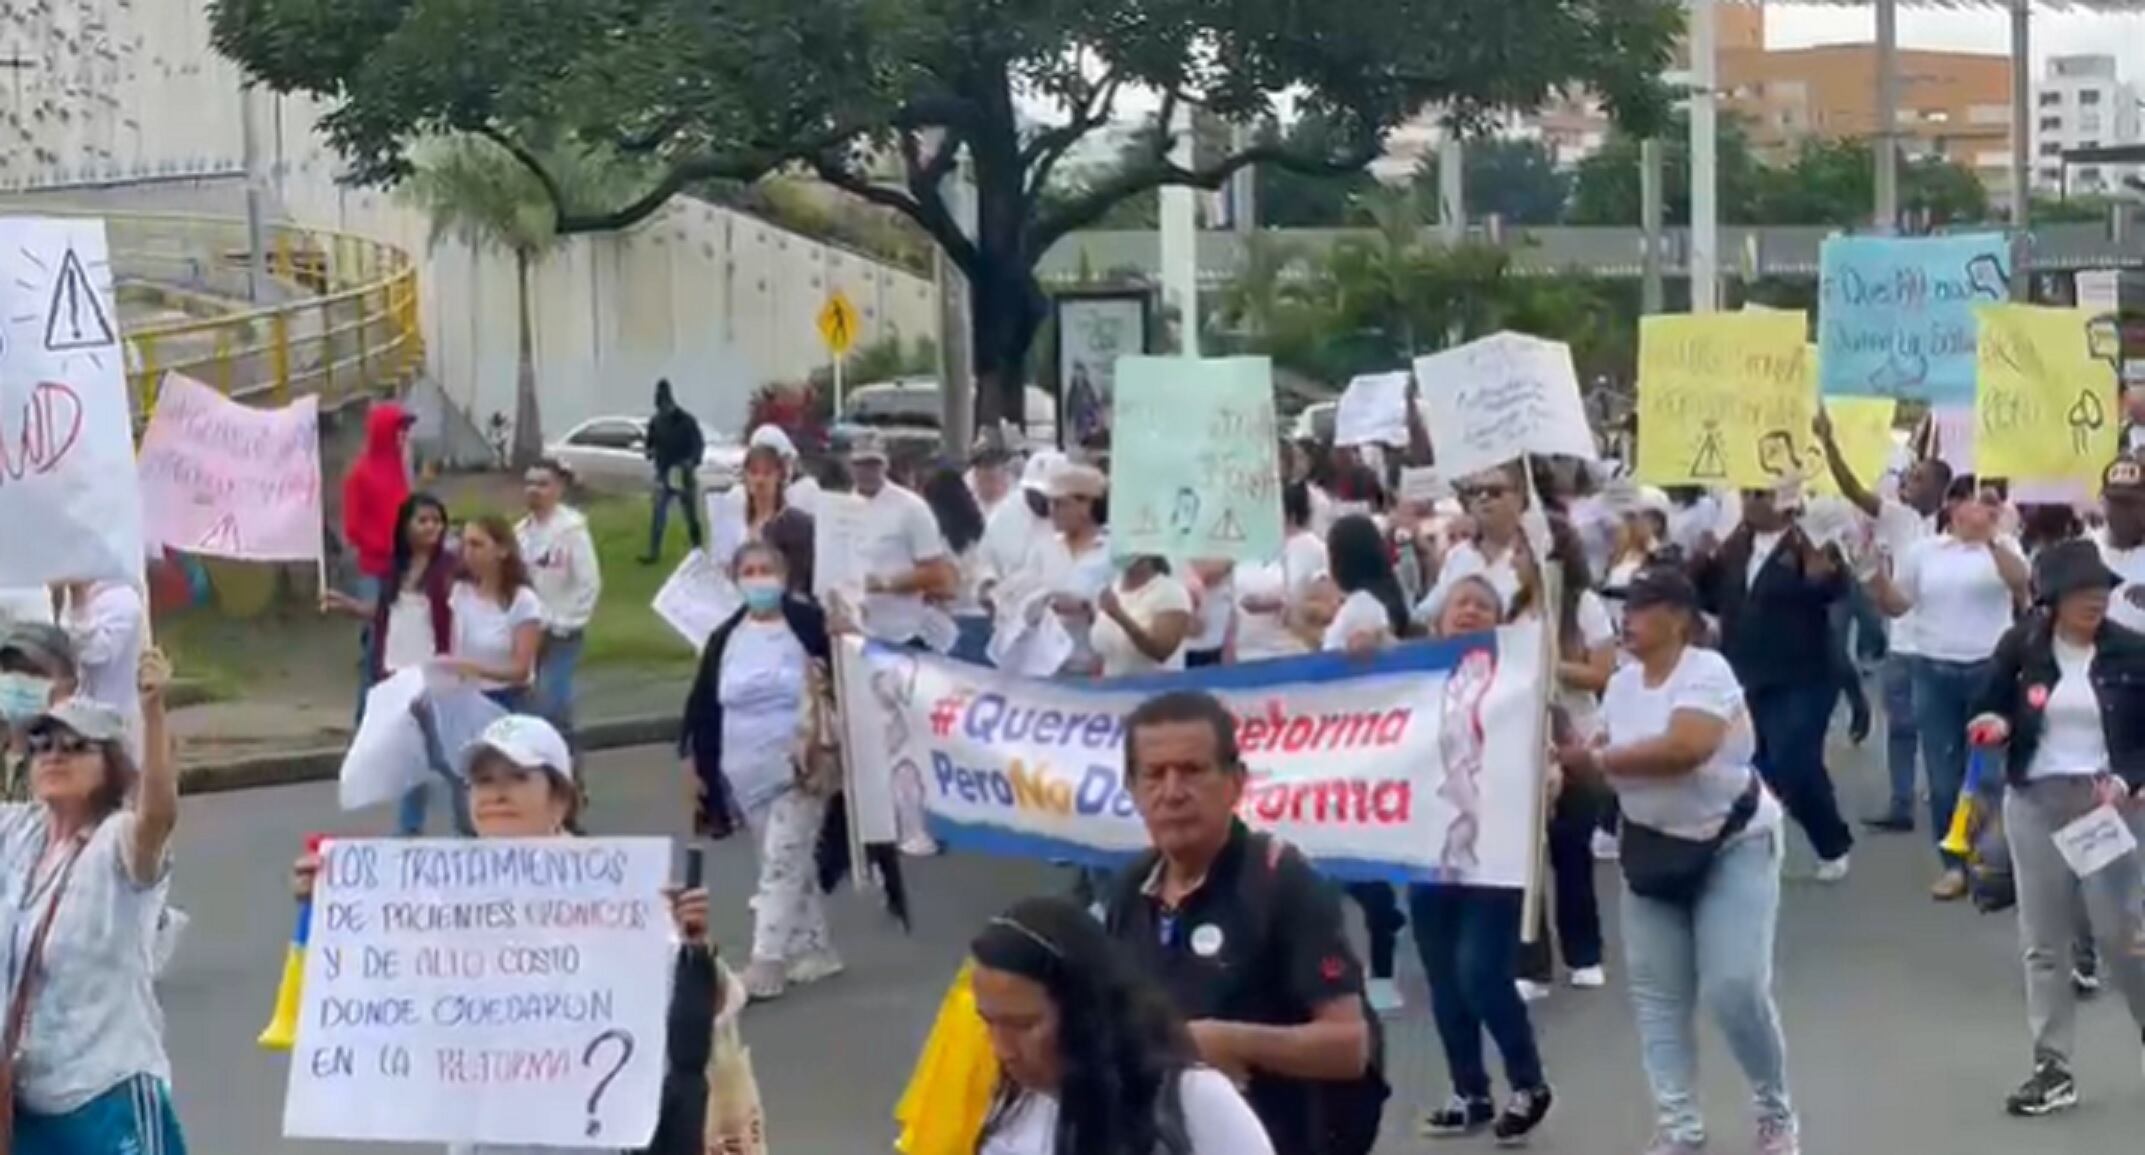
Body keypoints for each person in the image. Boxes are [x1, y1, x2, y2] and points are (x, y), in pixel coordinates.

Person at [294, 713, 724, 1155]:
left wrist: (691, 944)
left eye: (517, 778)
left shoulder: (615, 891)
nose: (497, 793)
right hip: (481, 1129)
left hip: (584, 1131)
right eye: (482, 781)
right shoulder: (435, 891)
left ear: (559, 799)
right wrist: (330, 909)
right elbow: (381, 992)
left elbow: (706, 1009)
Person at [1554, 565, 1800, 1155]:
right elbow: (1600, 766)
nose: (1627, 620)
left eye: (1639, 607)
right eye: (1624, 607)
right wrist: (1566, 771)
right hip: (1653, 849)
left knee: (1735, 985)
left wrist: (1600, 761)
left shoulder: (1706, 672)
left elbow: (1685, 749)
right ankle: (1679, 1127)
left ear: (1678, 618)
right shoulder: (1621, 686)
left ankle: (1774, 1109)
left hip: (1731, 843)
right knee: (1659, 996)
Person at [1103, 691, 1383, 1155]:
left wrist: (1227, 1042)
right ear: (1131, 788)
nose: (1172, 792)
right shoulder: (1128, 889)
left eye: (1192, 770)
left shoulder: (1282, 882)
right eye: (1154, 774)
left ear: (1235, 782)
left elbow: (1348, 1045)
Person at [1966, 538, 2145, 1118]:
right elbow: (1989, 704)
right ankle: (2053, 1067)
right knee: (2043, 942)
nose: (2096, 600)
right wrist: (1993, 724)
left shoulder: (2132, 653)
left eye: (2102, 591)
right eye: (2082, 592)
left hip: (2105, 806)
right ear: (2051, 599)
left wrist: (2126, 780)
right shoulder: (2022, 647)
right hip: (2035, 801)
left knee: (2124, 940)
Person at [4, 653, 186, 1154]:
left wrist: (152, 711)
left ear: (109, 764)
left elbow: (158, 815)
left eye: (73, 746)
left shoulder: (117, 841)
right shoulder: (19, 834)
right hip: (28, 1100)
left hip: (108, 1093)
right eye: (40, 745)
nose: (52, 756)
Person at [1411, 574, 1554, 1143]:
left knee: (1479, 970)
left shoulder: (1516, 678)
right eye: (1459, 604)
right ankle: (1469, 1091)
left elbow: (1544, 734)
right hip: (1425, 842)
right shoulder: (1413, 674)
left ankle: (1528, 1082)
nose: (1468, 612)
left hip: (1494, 844)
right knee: (1444, 978)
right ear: (1439, 618)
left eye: (1482, 605)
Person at [970, 895, 1275, 1155]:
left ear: (1085, 1013)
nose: (1003, 1050)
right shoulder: (1013, 1108)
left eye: (1024, 1025)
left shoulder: (1194, 1101)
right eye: (989, 1023)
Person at [680, 542, 844, 1001]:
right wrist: (699, 769)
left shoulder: (809, 625)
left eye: (765, 569)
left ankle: (766, 961)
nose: (757, 579)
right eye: (747, 571)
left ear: (784, 575)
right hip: (744, 770)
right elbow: (704, 706)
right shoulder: (726, 636)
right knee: (787, 859)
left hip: (801, 765)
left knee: (780, 860)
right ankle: (814, 948)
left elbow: (847, 672)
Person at [1865, 483, 2028, 900]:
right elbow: (1900, 604)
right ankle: (1954, 864)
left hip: (1989, 672)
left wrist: (1991, 538)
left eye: (1994, 502)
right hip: (1932, 669)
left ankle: (1989, 861)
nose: (1988, 509)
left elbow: (2022, 585)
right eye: (1980, 500)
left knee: (1989, 774)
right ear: (1954, 506)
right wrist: (1875, 578)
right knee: (1943, 776)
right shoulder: (1925, 551)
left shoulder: (2004, 546)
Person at [1690, 483, 1854, 883]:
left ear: (1785, 501)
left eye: (1761, 494)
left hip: (1803, 674)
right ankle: (1758, 836)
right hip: (1747, 672)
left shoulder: (1808, 542)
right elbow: (1711, 598)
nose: (1750, 502)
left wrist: (1822, 575)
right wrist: (1699, 563)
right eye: (1746, 493)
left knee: (1793, 760)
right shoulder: (1734, 546)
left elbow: (1835, 589)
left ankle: (1831, 841)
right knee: (1757, 765)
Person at [1814, 409, 1952, 835]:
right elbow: (1853, 490)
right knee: (1902, 727)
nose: (1908, 481)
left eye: (1919, 477)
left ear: (1941, 488)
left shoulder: (1963, 524)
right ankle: (1901, 803)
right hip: (1903, 642)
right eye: (1908, 476)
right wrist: (1829, 441)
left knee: (1941, 732)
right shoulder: (1898, 517)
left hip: (1946, 648)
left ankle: (1950, 800)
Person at [1516, 518, 1614, 994]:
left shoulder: (1585, 607)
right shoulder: (1514, 609)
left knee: (1570, 852)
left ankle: (1585, 954)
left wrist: (1553, 665)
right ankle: (1532, 964)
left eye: (1523, 551)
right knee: (1524, 860)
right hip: (1522, 744)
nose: (1515, 561)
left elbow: (1601, 673)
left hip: (1575, 743)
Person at [323, 493, 457, 834]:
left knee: (444, 755)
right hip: (396, 672)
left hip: (433, 674)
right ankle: (408, 832)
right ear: (406, 527)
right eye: (422, 520)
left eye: (437, 521)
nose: (431, 528)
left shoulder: (450, 570)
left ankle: (471, 822)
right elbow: (386, 615)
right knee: (411, 754)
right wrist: (348, 605)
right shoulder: (395, 570)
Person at [1321, 514, 1412, 1013]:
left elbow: (1367, 663)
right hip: (1347, 742)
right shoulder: (1370, 600)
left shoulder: (1365, 609)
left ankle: (1379, 954)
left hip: (1355, 742)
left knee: (1349, 856)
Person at [516, 458, 602, 738]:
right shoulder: (521, 534)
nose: (534, 490)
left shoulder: (572, 531)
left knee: (551, 698)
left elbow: (588, 582)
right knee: (531, 699)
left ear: (558, 489)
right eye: (529, 483)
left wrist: (566, 621)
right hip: (528, 630)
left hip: (561, 631)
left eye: (542, 484)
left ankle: (566, 763)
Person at [850, 433, 956, 647]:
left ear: (885, 465)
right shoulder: (839, 509)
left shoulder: (911, 508)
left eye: (873, 464)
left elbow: (937, 573)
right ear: (850, 466)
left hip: (903, 633)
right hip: (856, 633)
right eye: (861, 465)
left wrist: (887, 583)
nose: (867, 472)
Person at [1415, 463, 1529, 626]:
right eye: (1476, 492)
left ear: (1520, 499)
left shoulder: (1536, 554)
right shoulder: (1458, 555)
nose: (1484, 498)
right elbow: (1426, 613)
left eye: (1494, 492)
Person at [1232, 481, 1333, 663]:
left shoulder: (1311, 547)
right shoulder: (1247, 546)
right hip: (1244, 654)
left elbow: (1326, 607)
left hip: (1289, 652)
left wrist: (1286, 606)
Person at [54, 580, 146, 760]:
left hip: (112, 724)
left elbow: (95, 654)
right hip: (74, 720)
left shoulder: (121, 600)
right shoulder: (67, 595)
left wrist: (78, 600)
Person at [341, 400, 414, 616]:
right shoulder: (360, 474)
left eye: (405, 430)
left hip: (404, 564)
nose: (403, 435)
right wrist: (383, 545)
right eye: (399, 429)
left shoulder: (400, 468)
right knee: (375, 627)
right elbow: (352, 527)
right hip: (375, 566)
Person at [922, 463, 991, 663]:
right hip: (984, 619)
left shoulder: (938, 541)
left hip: (953, 620)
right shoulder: (981, 532)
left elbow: (947, 589)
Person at [0, 623, 78, 800]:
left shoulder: (74, 764)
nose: (19, 681)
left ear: (69, 684)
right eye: (11, 670)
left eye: (34, 672)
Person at [1093, 555, 1194, 678]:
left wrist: (1119, 616)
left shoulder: (1171, 592)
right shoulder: (1112, 587)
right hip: (1114, 690)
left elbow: (1161, 652)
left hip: (1156, 689)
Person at [641, 378, 707, 563]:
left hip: (683, 473)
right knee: (659, 514)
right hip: (663, 474)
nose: (662, 411)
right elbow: (649, 445)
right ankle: (653, 552)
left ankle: (698, 549)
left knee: (690, 515)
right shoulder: (655, 422)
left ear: (671, 403)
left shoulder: (687, 421)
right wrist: (650, 452)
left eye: (664, 407)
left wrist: (692, 462)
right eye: (660, 408)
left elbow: (698, 445)